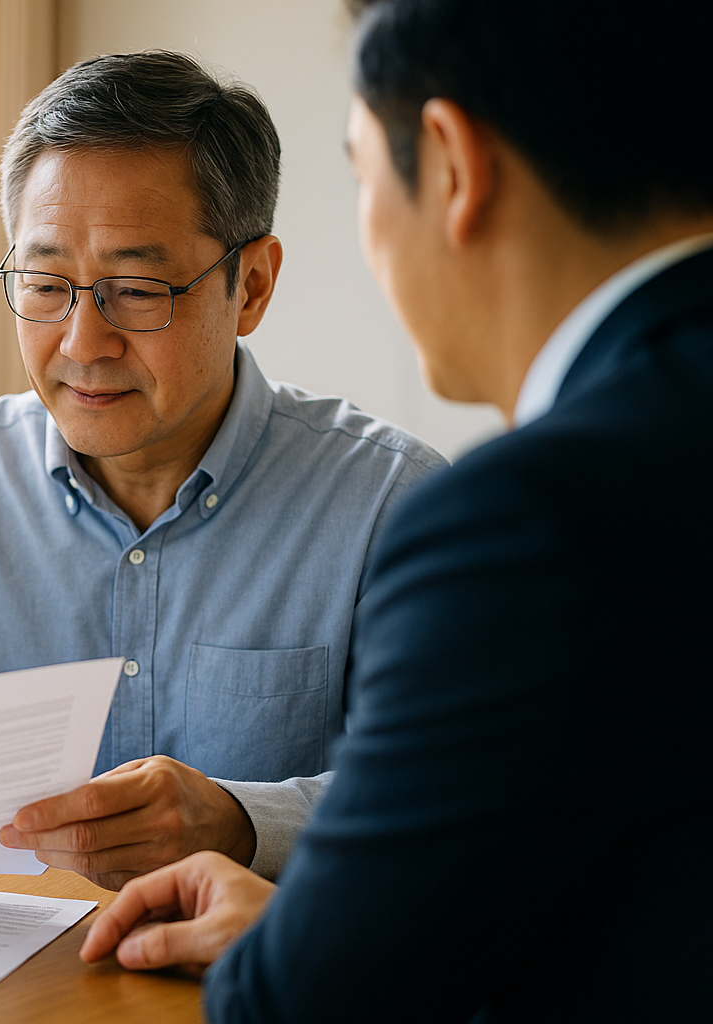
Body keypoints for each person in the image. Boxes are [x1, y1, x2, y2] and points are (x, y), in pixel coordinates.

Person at [80, 1, 713, 1019]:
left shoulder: (517, 520)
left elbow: (304, 999)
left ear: (453, 165)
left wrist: (299, 936)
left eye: (364, 171)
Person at [0, 51, 445, 889]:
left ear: (252, 285)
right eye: (45, 284)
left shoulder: (391, 504)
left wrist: (237, 821)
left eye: (138, 290)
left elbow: (447, 800)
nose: (82, 344)